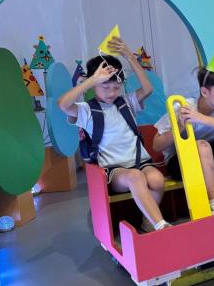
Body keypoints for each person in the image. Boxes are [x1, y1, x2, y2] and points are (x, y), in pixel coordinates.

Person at [58, 37, 170, 231]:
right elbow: (63, 104)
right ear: (94, 85)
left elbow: (148, 89)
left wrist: (129, 56)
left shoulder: (127, 101)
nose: (111, 93)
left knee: (157, 180)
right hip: (114, 171)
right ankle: (161, 226)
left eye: (116, 87)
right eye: (105, 87)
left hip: (141, 162)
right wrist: (92, 80)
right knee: (135, 177)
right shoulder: (86, 110)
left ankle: (148, 221)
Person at [153, 45, 214, 214]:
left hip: (212, 160)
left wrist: (200, 118)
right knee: (202, 146)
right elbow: (156, 145)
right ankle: (213, 203)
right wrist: (180, 127)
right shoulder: (183, 107)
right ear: (205, 92)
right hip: (180, 163)